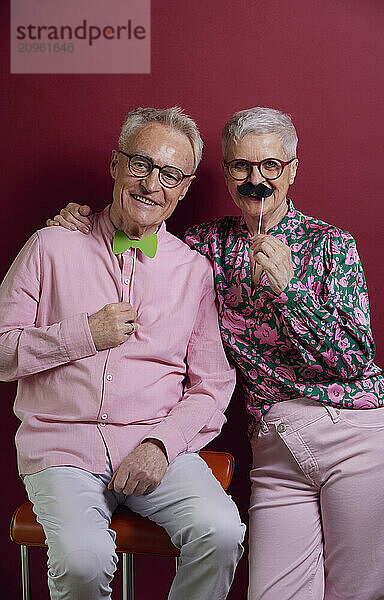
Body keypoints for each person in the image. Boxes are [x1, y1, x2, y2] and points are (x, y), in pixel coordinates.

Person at [52, 106, 384, 600]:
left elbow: (352, 361)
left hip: (357, 433)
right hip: (276, 441)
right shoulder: (206, 246)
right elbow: (142, 235)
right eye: (241, 166)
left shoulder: (331, 245)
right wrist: (80, 222)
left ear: (292, 170)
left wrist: (290, 291)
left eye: (270, 166)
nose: (255, 179)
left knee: (360, 593)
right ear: (227, 169)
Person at [0, 106, 246, 600]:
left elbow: (213, 385)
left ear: (183, 188)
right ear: (116, 164)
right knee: (82, 562)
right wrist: (84, 333)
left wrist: (161, 445)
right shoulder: (50, 244)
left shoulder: (193, 271)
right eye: (141, 164)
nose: (152, 183)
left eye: (170, 174)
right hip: (62, 450)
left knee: (221, 532)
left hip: (155, 445)